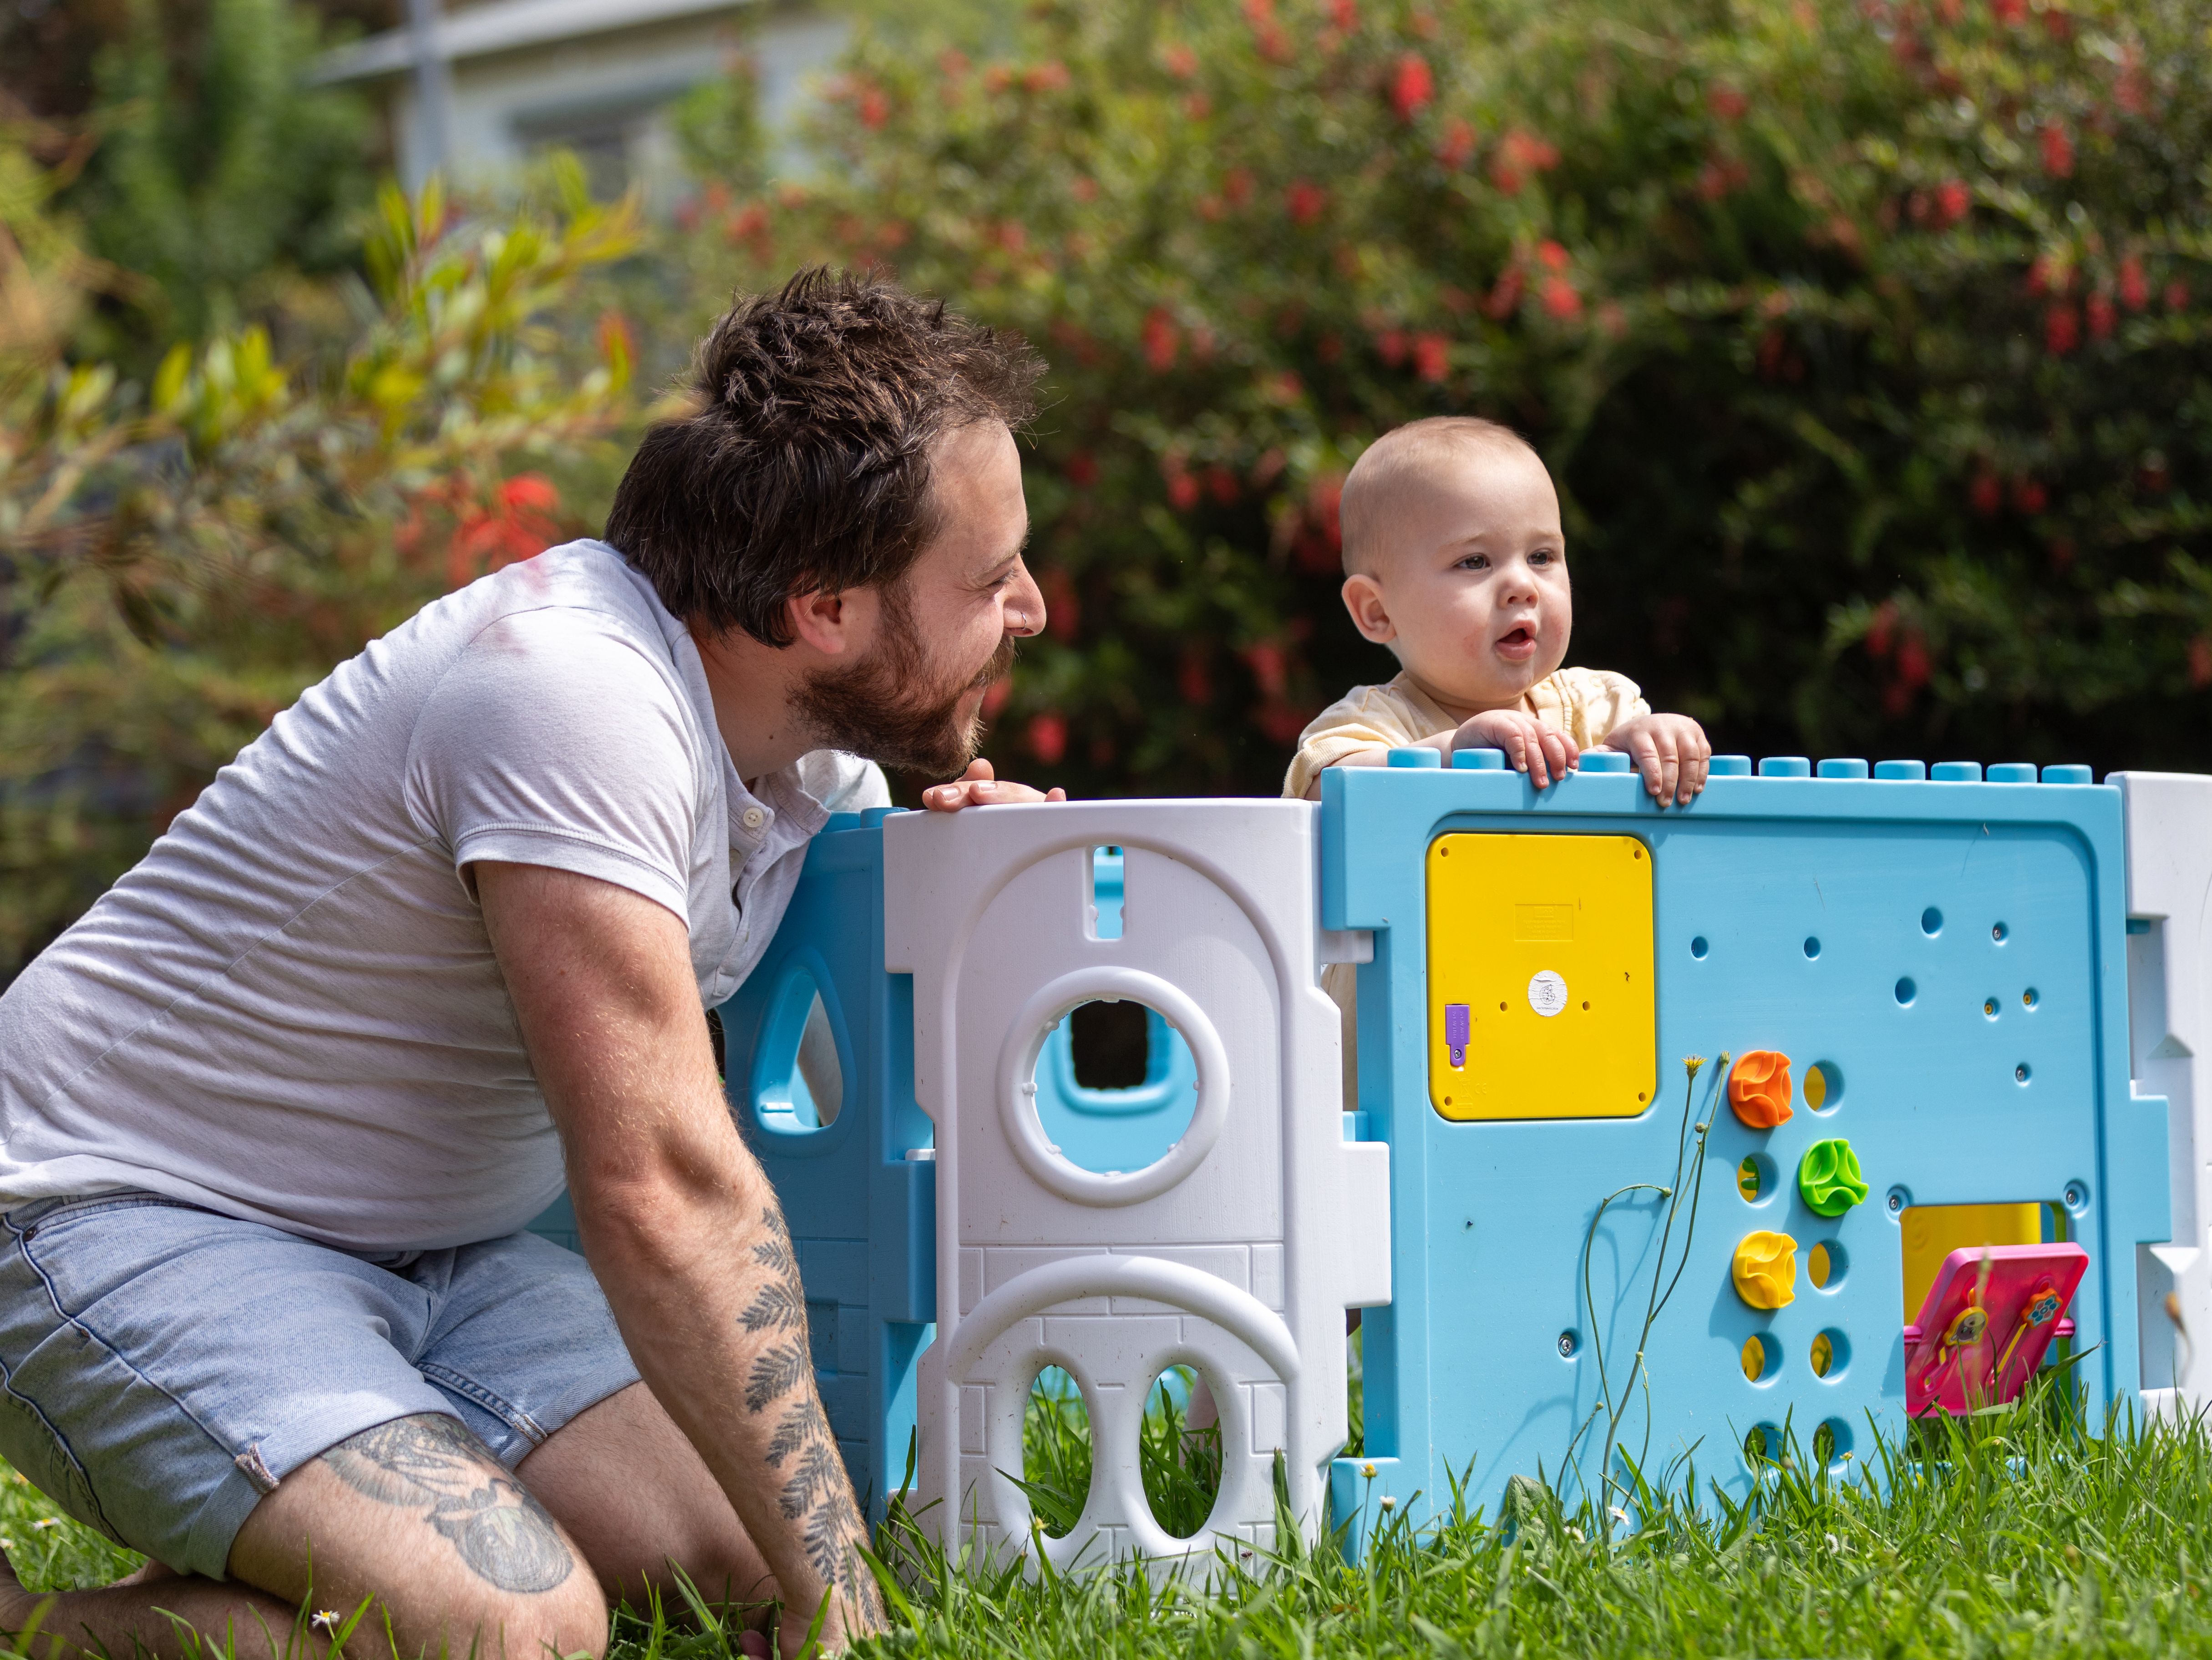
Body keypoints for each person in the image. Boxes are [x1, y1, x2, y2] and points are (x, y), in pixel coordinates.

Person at [0, 269, 1061, 1660]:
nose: (1032, 608)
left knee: (732, 1566)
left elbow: (862, 1114)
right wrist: (842, 1604)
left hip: (444, 1254)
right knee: (522, 1630)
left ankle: (298, 1515)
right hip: (121, 1217)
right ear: (822, 608)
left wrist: (980, 892)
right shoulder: (570, 692)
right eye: (989, 579)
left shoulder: (813, 771)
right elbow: (660, 1180)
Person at [1283, 416, 1711, 805]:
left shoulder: (1598, 709)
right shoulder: (1377, 725)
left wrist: (1659, 745)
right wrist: (1453, 753)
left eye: (1541, 557)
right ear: (1378, 611)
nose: (1522, 586)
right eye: (1475, 562)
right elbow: (1322, 788)